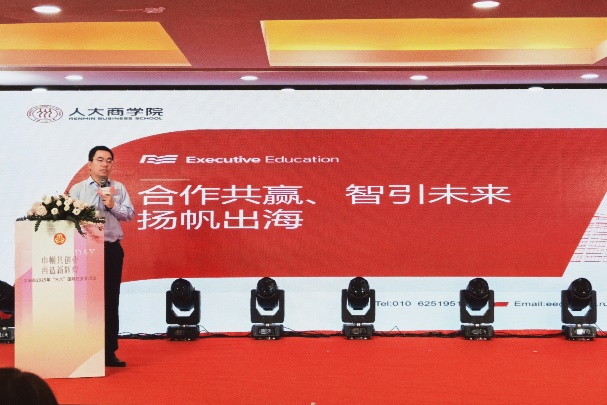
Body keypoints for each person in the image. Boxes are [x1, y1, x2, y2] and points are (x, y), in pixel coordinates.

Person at [69, 146, 135, 367]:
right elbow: (69, 219)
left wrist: (112, 205)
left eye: (109, 160)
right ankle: (86, 351)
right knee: (87, 302)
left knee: (110, 301)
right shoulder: (78, 190)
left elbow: (130, 214)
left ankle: (109, 352)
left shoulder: (118, 188)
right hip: (87, 250)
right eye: (100, 160)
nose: (105, 164)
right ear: (90, 164)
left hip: (112, 249)